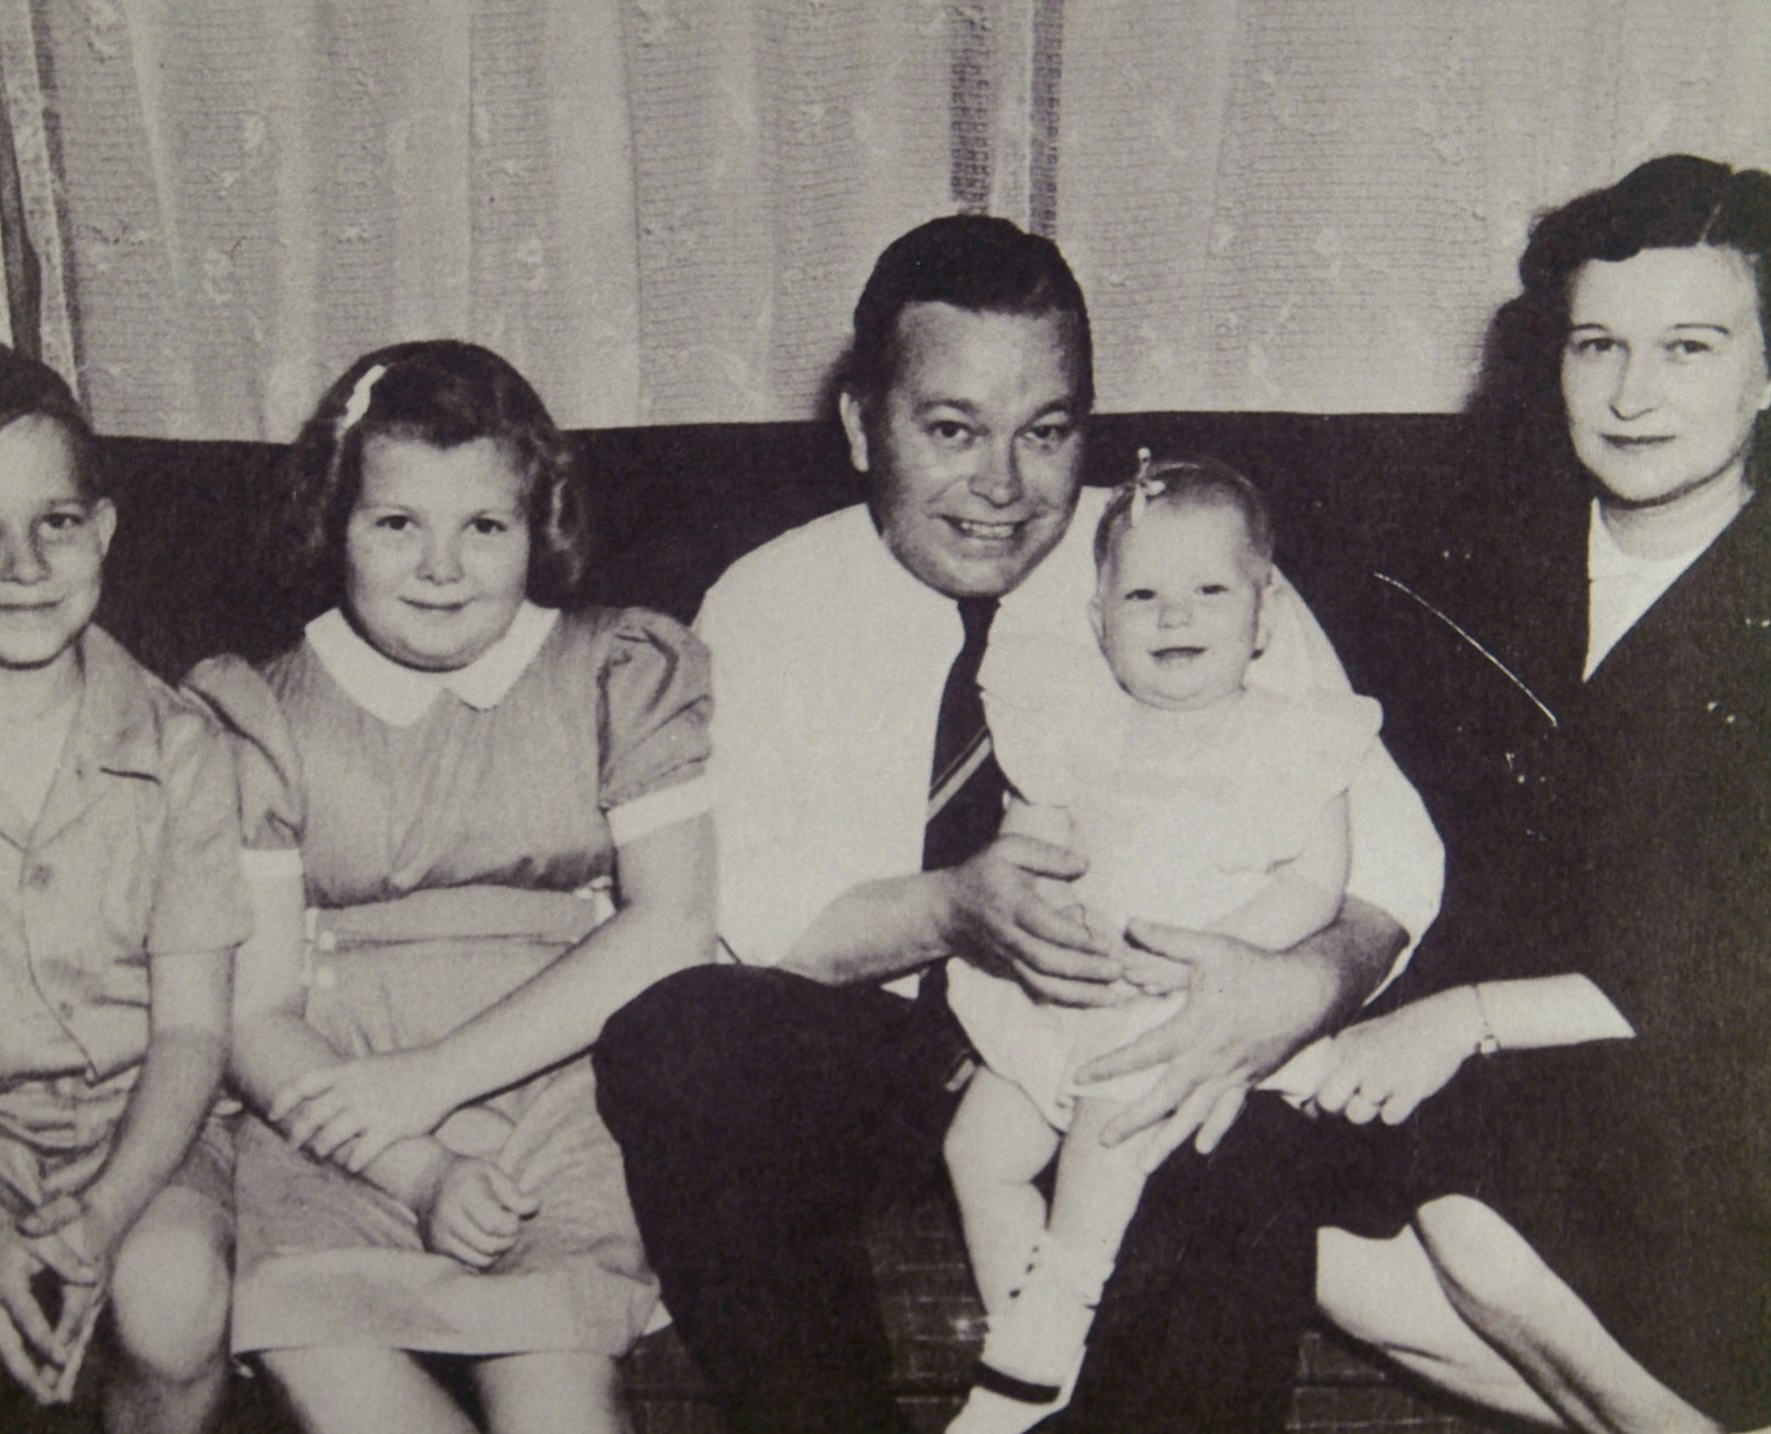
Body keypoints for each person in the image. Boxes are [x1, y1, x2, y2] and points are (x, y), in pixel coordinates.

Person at [593, 214, 1443, 1434]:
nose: (1003, 487)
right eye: (952, 431)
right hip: (878, 1045)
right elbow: (757, 914)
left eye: (1045, 433)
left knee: (1242, 1151)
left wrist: (1296, 985)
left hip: (1136, 1026)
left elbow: (1392, 852)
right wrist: (954, 909)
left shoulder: (1183, 566)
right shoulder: (768, 601)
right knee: (680, 1038)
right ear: (861, 425)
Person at [1312, 154, 1771, 1433]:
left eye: (1688, 348)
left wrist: (1464, 1020)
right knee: (1294, 1226)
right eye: (1596, 346)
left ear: (1768, 373)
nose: (1631, 394)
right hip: (1516, 1057)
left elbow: (1742, 950)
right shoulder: (1467, 562)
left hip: (1720, 1070)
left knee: (1468, 1181)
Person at [184, 340, 715, 1434]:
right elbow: (252, 1014)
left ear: (539, 528)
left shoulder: (615, 668)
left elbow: (673, 926)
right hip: (339, 1111)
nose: (442, 567)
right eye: (396, 524)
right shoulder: (261, 710)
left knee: (557, 1390)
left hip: (559, 1085)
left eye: (484, 527)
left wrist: (435, 1080)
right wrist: (415, 1162)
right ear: (335, 525)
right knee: (329, 1362)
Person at [942, 457, 1384, 1434]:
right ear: (1100, 623)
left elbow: (1316, 884)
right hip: (1078, 991)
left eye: (1210, 591)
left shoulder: (1295, 739)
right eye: (1142, 596)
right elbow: (1029, 849)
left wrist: (1208, 952)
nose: (1175, 615)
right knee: (978, 1146)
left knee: (1106, 1130)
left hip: (1199, 1002)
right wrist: (1035, 922)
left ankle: (1055, 1312)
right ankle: (1036, 1344)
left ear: (1263, 617)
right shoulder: (1076, 730)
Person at [0, 335, 244, 1434]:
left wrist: (108, 1213)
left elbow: (193, 1033)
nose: (25, 566)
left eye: (56, 523)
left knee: (174, 1300)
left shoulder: (182, 747)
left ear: (102, 531)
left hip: (145, 1124)